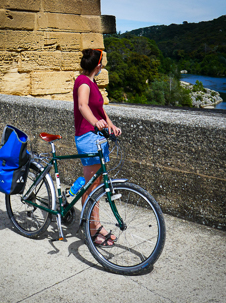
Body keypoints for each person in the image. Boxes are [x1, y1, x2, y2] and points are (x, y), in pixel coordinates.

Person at [73, 49, 122, 247]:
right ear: (98, 65)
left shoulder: (92, 82)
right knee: (91, 186)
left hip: (97, 136)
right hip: (87, 136)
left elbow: (99, 109)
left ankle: (96, 224)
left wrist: (110, 124)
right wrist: (96, 123)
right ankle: (91, 230)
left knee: (97, 184)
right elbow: (83, 106)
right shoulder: (83, 82)